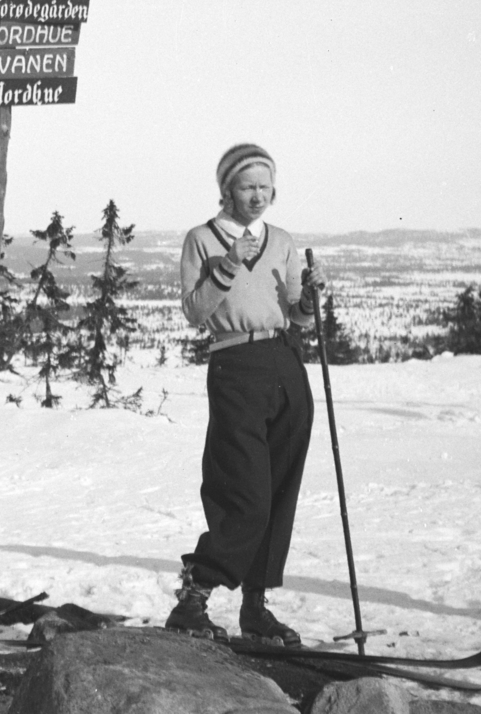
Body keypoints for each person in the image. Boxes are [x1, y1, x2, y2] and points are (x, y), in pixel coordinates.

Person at [165, 142, 327, 646]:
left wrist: (310, 300)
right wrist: (229, 264)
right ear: (227, 190)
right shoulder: (201, 239)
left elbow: (296, 313)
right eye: (246, 186)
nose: (257, 196)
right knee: (245, 490)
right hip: (234, 362)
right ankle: (195, 596)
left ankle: (255, 607)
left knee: (279, 489)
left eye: (264, 186)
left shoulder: (281, 240)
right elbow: (195, 311)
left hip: (284, 360)